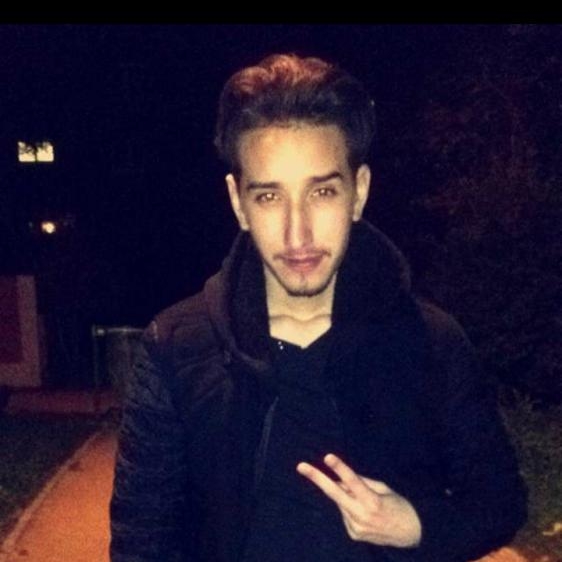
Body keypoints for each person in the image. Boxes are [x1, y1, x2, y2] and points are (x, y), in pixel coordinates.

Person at [110, 53, 527, 562]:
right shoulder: (176, 346)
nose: (298, 233)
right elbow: (141, 540)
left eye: (322, 191)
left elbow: (499, 500)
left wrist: (417, 525)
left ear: (359, 192)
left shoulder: (431, 341)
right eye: (269, 197)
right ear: (238, 202)